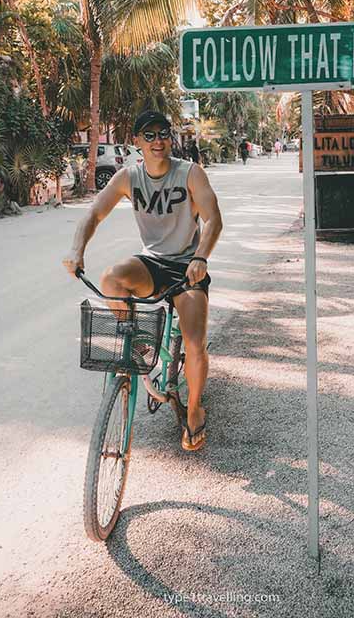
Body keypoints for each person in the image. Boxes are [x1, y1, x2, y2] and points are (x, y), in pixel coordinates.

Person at [63, 110, 223, 452]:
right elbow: (93, 214)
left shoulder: (190, 173)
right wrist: (77, 251)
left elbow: (213, 219)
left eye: (162, 133)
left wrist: (201, 257)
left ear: (171, 137)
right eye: (148, 136)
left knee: (194, 343)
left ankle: (194, 410)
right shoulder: (128, 177)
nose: (157, 141)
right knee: (111, 279)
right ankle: (139, 345)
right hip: (152, 262)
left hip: (187, 267)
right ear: (137, 142)